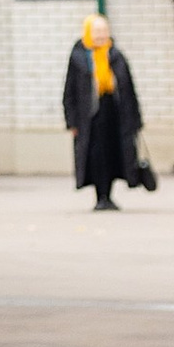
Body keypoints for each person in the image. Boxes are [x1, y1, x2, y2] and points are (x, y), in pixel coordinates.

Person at [65, 13, 149, 210]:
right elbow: (69, 91)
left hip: (115, 114)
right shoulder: (78, 56)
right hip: (90, 118)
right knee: (95, 156)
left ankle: (108, 195)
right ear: (87, 32)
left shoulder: (116, 55)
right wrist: (71, 121)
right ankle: (100, 196)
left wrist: (136, 120)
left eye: (104, 30)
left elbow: (129, 89)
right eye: (96, 31)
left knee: (114, 154)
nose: (101, 35)